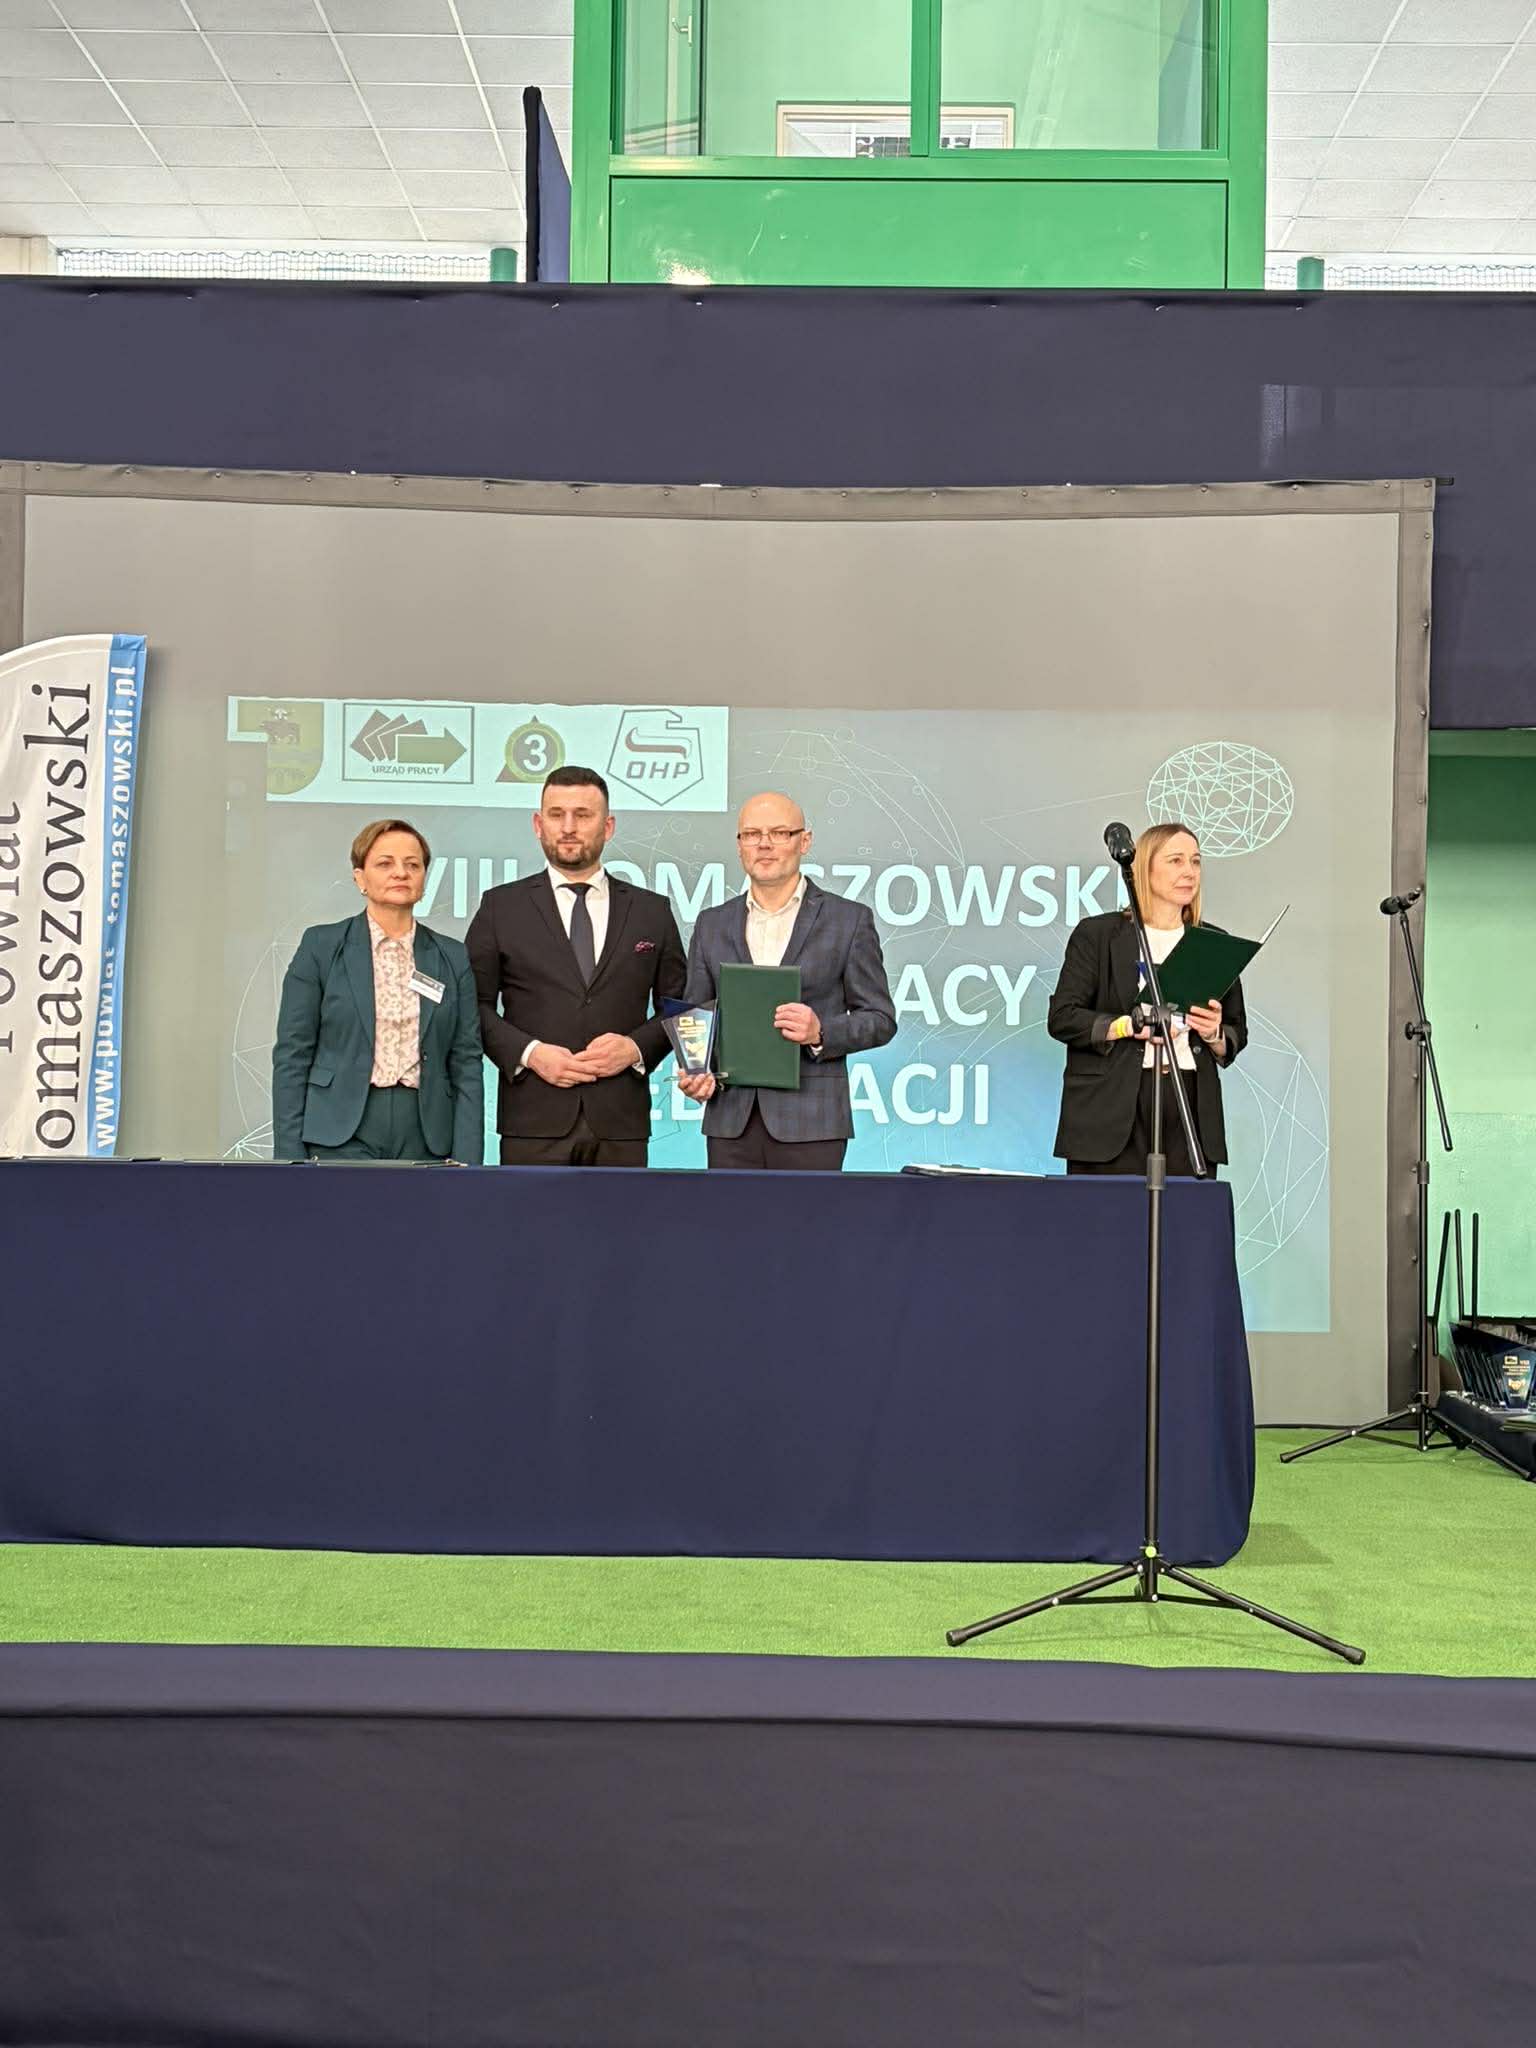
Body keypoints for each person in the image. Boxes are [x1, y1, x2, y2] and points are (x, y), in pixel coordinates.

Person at [466, 765, 686, 1167]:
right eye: (557, 814)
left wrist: (634, 1048)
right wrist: (530, 1054)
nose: (568, 827)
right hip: (532, 1120)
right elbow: (471, 1006)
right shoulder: (500, 907)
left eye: (583, 815)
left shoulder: (652, 911)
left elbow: (680, 1005)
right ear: (538, 824)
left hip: (621, 1122)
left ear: (608, 826)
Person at [678, 790, 897, 1170]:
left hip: (812, 1123)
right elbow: (695, 1015)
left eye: (779, 833)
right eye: (752, 834)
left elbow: (880, 1019)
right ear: (739, 845)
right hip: (730, 1122)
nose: (764, 844)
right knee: (726, 1214)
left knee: (809, 1214)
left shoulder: (849, 920)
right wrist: (694, 1069)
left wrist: (820, 1032)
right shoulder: (712, 923)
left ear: (804, 841)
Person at [272, 819, 483, 1163]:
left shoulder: (452, 956)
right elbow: (292, 1055)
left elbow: (466, 1062)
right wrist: (288, 1158)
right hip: (339, 1130)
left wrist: (469, 1160)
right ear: (360, 878)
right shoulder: (321, 946)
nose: (400, 873)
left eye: (412, 865)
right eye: (385, 863)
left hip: (426, 1132)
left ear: (424, 878)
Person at [1048, 821, 1246, 1176]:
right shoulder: (1098, 935)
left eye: (1196, 861)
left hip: (1188, 1109)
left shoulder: (1212, 942)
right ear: (1144, 868)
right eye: (1176, 860)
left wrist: (1214, 1033)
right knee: (1108, 1213)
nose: (1189, 872)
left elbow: (1235, 1032)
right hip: (1110, 1113)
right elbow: (1063, 1017)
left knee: (1185, 1213)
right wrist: (1126, 1026)